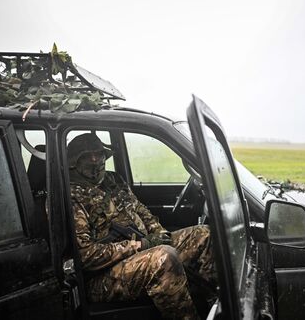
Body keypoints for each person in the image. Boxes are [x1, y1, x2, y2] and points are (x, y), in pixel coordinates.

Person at [67, 133, 215, 320]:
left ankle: (216, 309)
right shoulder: (70, 196)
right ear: (74, 162)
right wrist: (140, 246)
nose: (97, 160)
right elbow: (85, 256)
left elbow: (140, 209)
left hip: (141, 250)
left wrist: (158, 233)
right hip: (102, 276)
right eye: (88, 156)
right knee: (163, 258)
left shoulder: (113, 180)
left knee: (204, 235)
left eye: (99, 154)